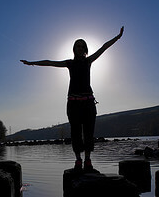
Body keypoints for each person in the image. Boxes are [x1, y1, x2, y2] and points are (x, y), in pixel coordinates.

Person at [20, 26, 124, 172]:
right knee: (75, 133)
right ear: (74, 49)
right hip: (73, 104)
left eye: (82, 46)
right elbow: (50, 62)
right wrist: (32, 63)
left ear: (85, 49)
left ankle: (87, 159)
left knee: (88, 132)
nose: (80, 48)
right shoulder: (70, 63)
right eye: (77, 46)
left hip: (88, 103)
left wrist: (117, 37)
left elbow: (103, 47)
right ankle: (78, 160)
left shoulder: (88, 61)